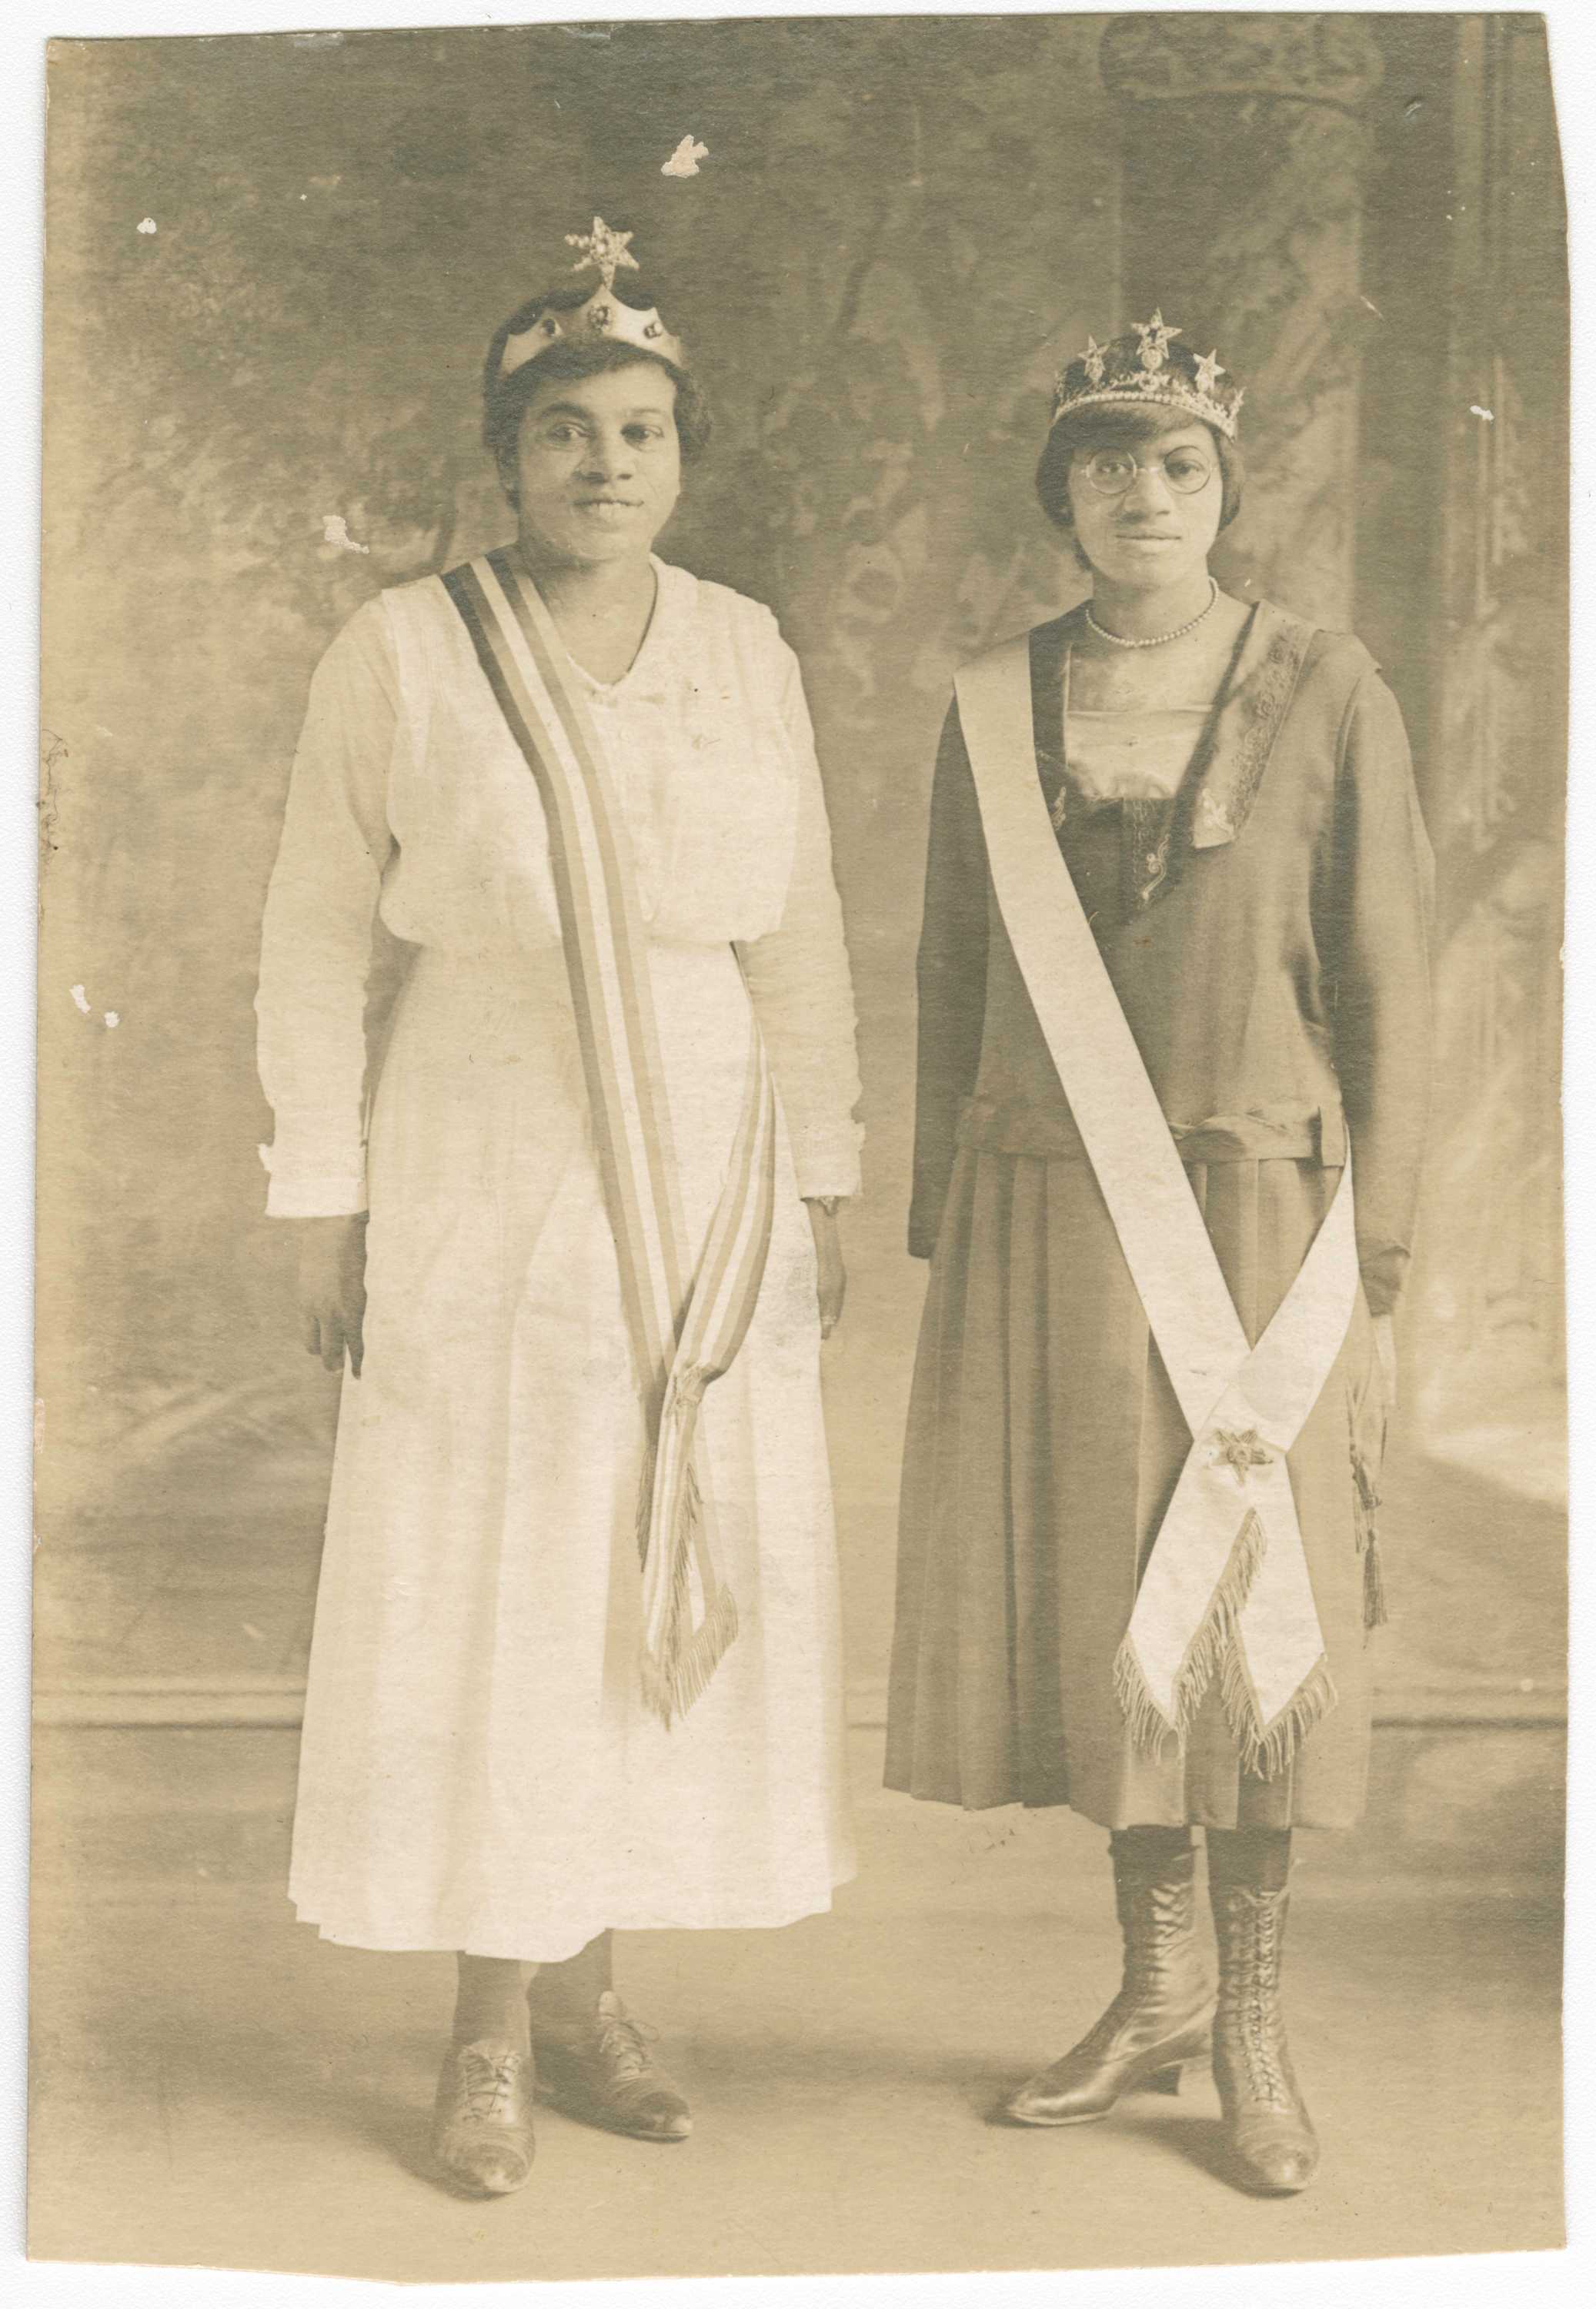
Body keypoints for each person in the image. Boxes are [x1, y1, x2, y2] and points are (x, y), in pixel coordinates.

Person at [255, 219, 863, 2198]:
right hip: (482, 1144)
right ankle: (486, 2034)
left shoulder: (744, 644)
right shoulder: (407, 649)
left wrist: (822, 1176)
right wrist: (320, 1189)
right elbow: (311, 934)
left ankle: (594, 1999)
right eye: (564, 432)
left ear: (683, 458)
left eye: (641, 432)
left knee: (629, 1574)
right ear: (503, 458)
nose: (604, 465)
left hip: (701, 1157)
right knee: (491, 1580)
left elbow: (799, 935)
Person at [886, 314, 1433, 2196]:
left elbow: (1387, 982)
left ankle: (1256, 2024)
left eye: (1175, 460)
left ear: (1221, 487)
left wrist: (1389, 1250)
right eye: (1105, 462)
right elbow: (956, 968)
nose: (1141, 491)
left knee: (1250, 1612)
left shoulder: (1325, 683)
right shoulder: (988, 700)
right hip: (1053, 1204)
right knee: (1110, 1618)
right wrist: (939, 1222)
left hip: (1258, 1205)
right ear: (1063, 496)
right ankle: (1157, 1988)